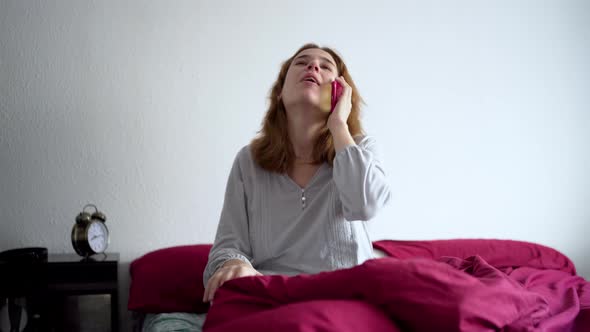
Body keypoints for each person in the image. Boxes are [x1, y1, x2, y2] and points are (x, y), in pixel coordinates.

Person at [202, 43, 391, 303]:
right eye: (302, 62)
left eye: (326, 67)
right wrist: (235, 264)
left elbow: (365, 204)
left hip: (345, 297)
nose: (313, 66)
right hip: (271, 294)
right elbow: (227, 246)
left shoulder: (361, 148)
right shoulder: (248, 162)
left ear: (340, 94)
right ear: (280, 92)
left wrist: (338, 125)